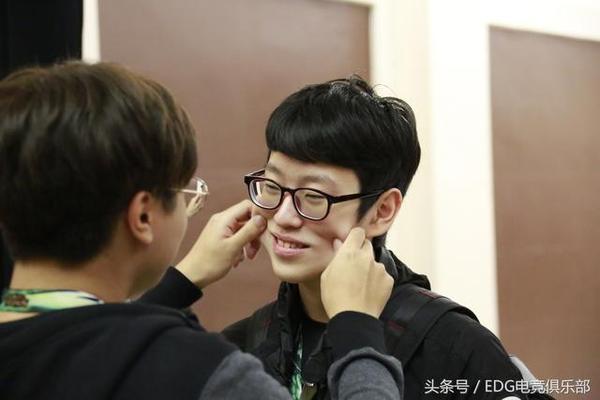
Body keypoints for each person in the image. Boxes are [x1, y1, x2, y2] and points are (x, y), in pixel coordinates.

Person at [0, 62, 404, 400]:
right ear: (143, 216)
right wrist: (357, 329)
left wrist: (182, 280)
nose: (283, 217)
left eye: (313, 195)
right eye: (184, 193)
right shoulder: (195, 370)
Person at [215, 76, 536, 399]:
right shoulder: (241, 346)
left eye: (313, 196)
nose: (284, 217)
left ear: (382, 211)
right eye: (272, 187)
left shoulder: (454, 348)